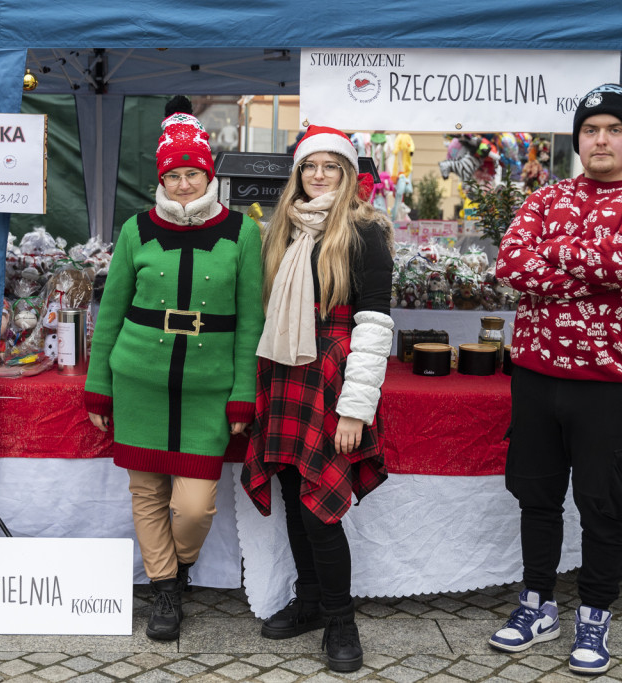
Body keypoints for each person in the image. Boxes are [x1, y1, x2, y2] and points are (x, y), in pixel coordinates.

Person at [489, 83, 622, 675]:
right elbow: (512, 266)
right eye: (591, 130)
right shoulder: (547, 197)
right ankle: (536, 605)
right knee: (536, 496)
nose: (601, 139)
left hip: (608, 381)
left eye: (614, 130)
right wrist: (595, 265)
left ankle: (594, 616)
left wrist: (558, 258)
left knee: (602, 503)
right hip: (536, 374)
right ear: (578, 140)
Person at [84, 96, 263, 641]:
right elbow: (109, 312)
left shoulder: (241, 232)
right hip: (138, 379)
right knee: (146, 492)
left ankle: (180, 565)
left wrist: (242, 396)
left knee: (193, 505)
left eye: (192, 173)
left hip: (209, 390)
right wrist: (98, 389)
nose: (183, 184)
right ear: (161, 178)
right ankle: (164, 588)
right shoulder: (137, 230)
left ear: (208, 174)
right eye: (174, 175)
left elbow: (251, 321)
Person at [242, 126, 395, 673]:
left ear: (348, 174)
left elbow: (375, 326)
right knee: (290, 492)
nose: (319, 174)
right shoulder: (282, 231)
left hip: (331, 380)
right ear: (298, 174)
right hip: (283, 374)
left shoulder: (364, 232)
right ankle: (309, 600)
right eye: (310, 165)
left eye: (332, 165)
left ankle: (340, 621)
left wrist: (356, 408)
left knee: (319, 510)